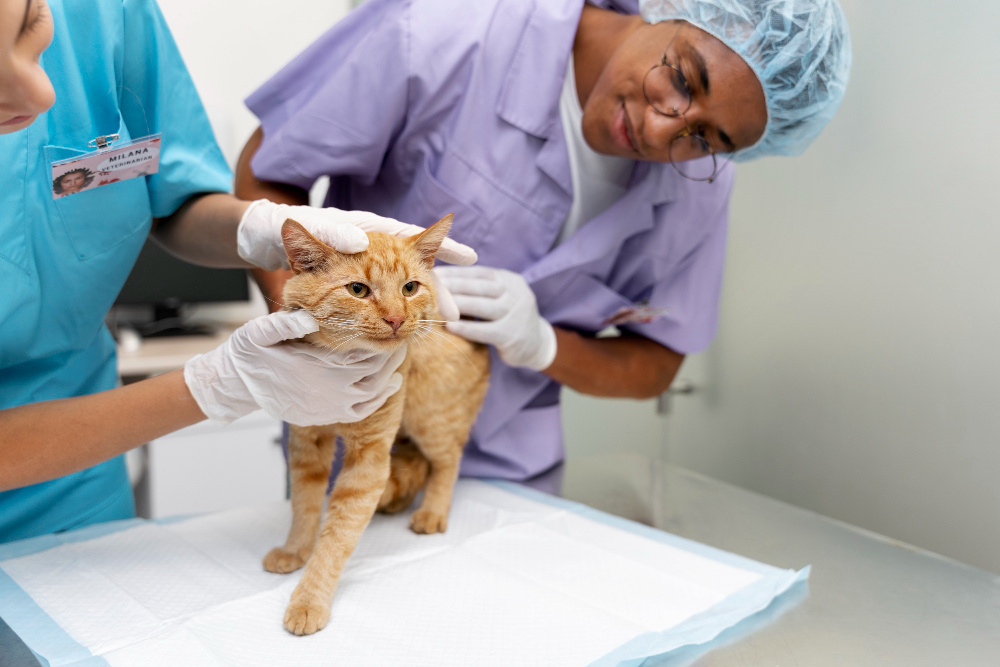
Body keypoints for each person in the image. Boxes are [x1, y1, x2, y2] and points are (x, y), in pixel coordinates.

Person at [237, 0, 851, 482]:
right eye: (683, 79)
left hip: (516, 470)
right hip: (356, 435)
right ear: (672, 6)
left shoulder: (700, 189)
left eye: (708, 138)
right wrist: (315, 343)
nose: (663, 130)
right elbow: (266, 171)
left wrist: (545, 345)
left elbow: (657, 364)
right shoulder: (447, 29)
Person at [0, 0, 476, 543]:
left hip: (81, 474)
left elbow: (169, 192)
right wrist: (211, 386)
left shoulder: (106, 13)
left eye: (33, 28)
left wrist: (263, 226)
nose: (42, 95)